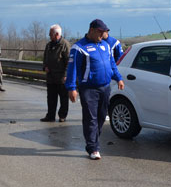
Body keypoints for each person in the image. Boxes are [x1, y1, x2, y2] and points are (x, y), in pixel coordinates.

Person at [66, 19, 124, 160]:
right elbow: (72, 70)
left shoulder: (105, 46)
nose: (102, 34)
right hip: (88, 89)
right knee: (91, 118)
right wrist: (71, 88)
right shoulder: (79, 48)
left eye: (104, 32)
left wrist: (119, 78)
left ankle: (93, 141)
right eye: (100, 32)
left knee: (101, 117)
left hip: (105, 87)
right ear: (91, 30)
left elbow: (112, 64)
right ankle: (93, 148)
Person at [41, 24, 71, 123]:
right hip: (51, 77)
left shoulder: (65, 45)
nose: (49, 36)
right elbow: (45, 58)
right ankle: (50, 115)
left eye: (51, 34)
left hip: (61, 77)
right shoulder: (49, 45)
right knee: (51, 98)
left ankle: (62, 115)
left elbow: (69, 61)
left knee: (63, 98)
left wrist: (65, 75)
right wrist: (45, 66)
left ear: (57, 34)